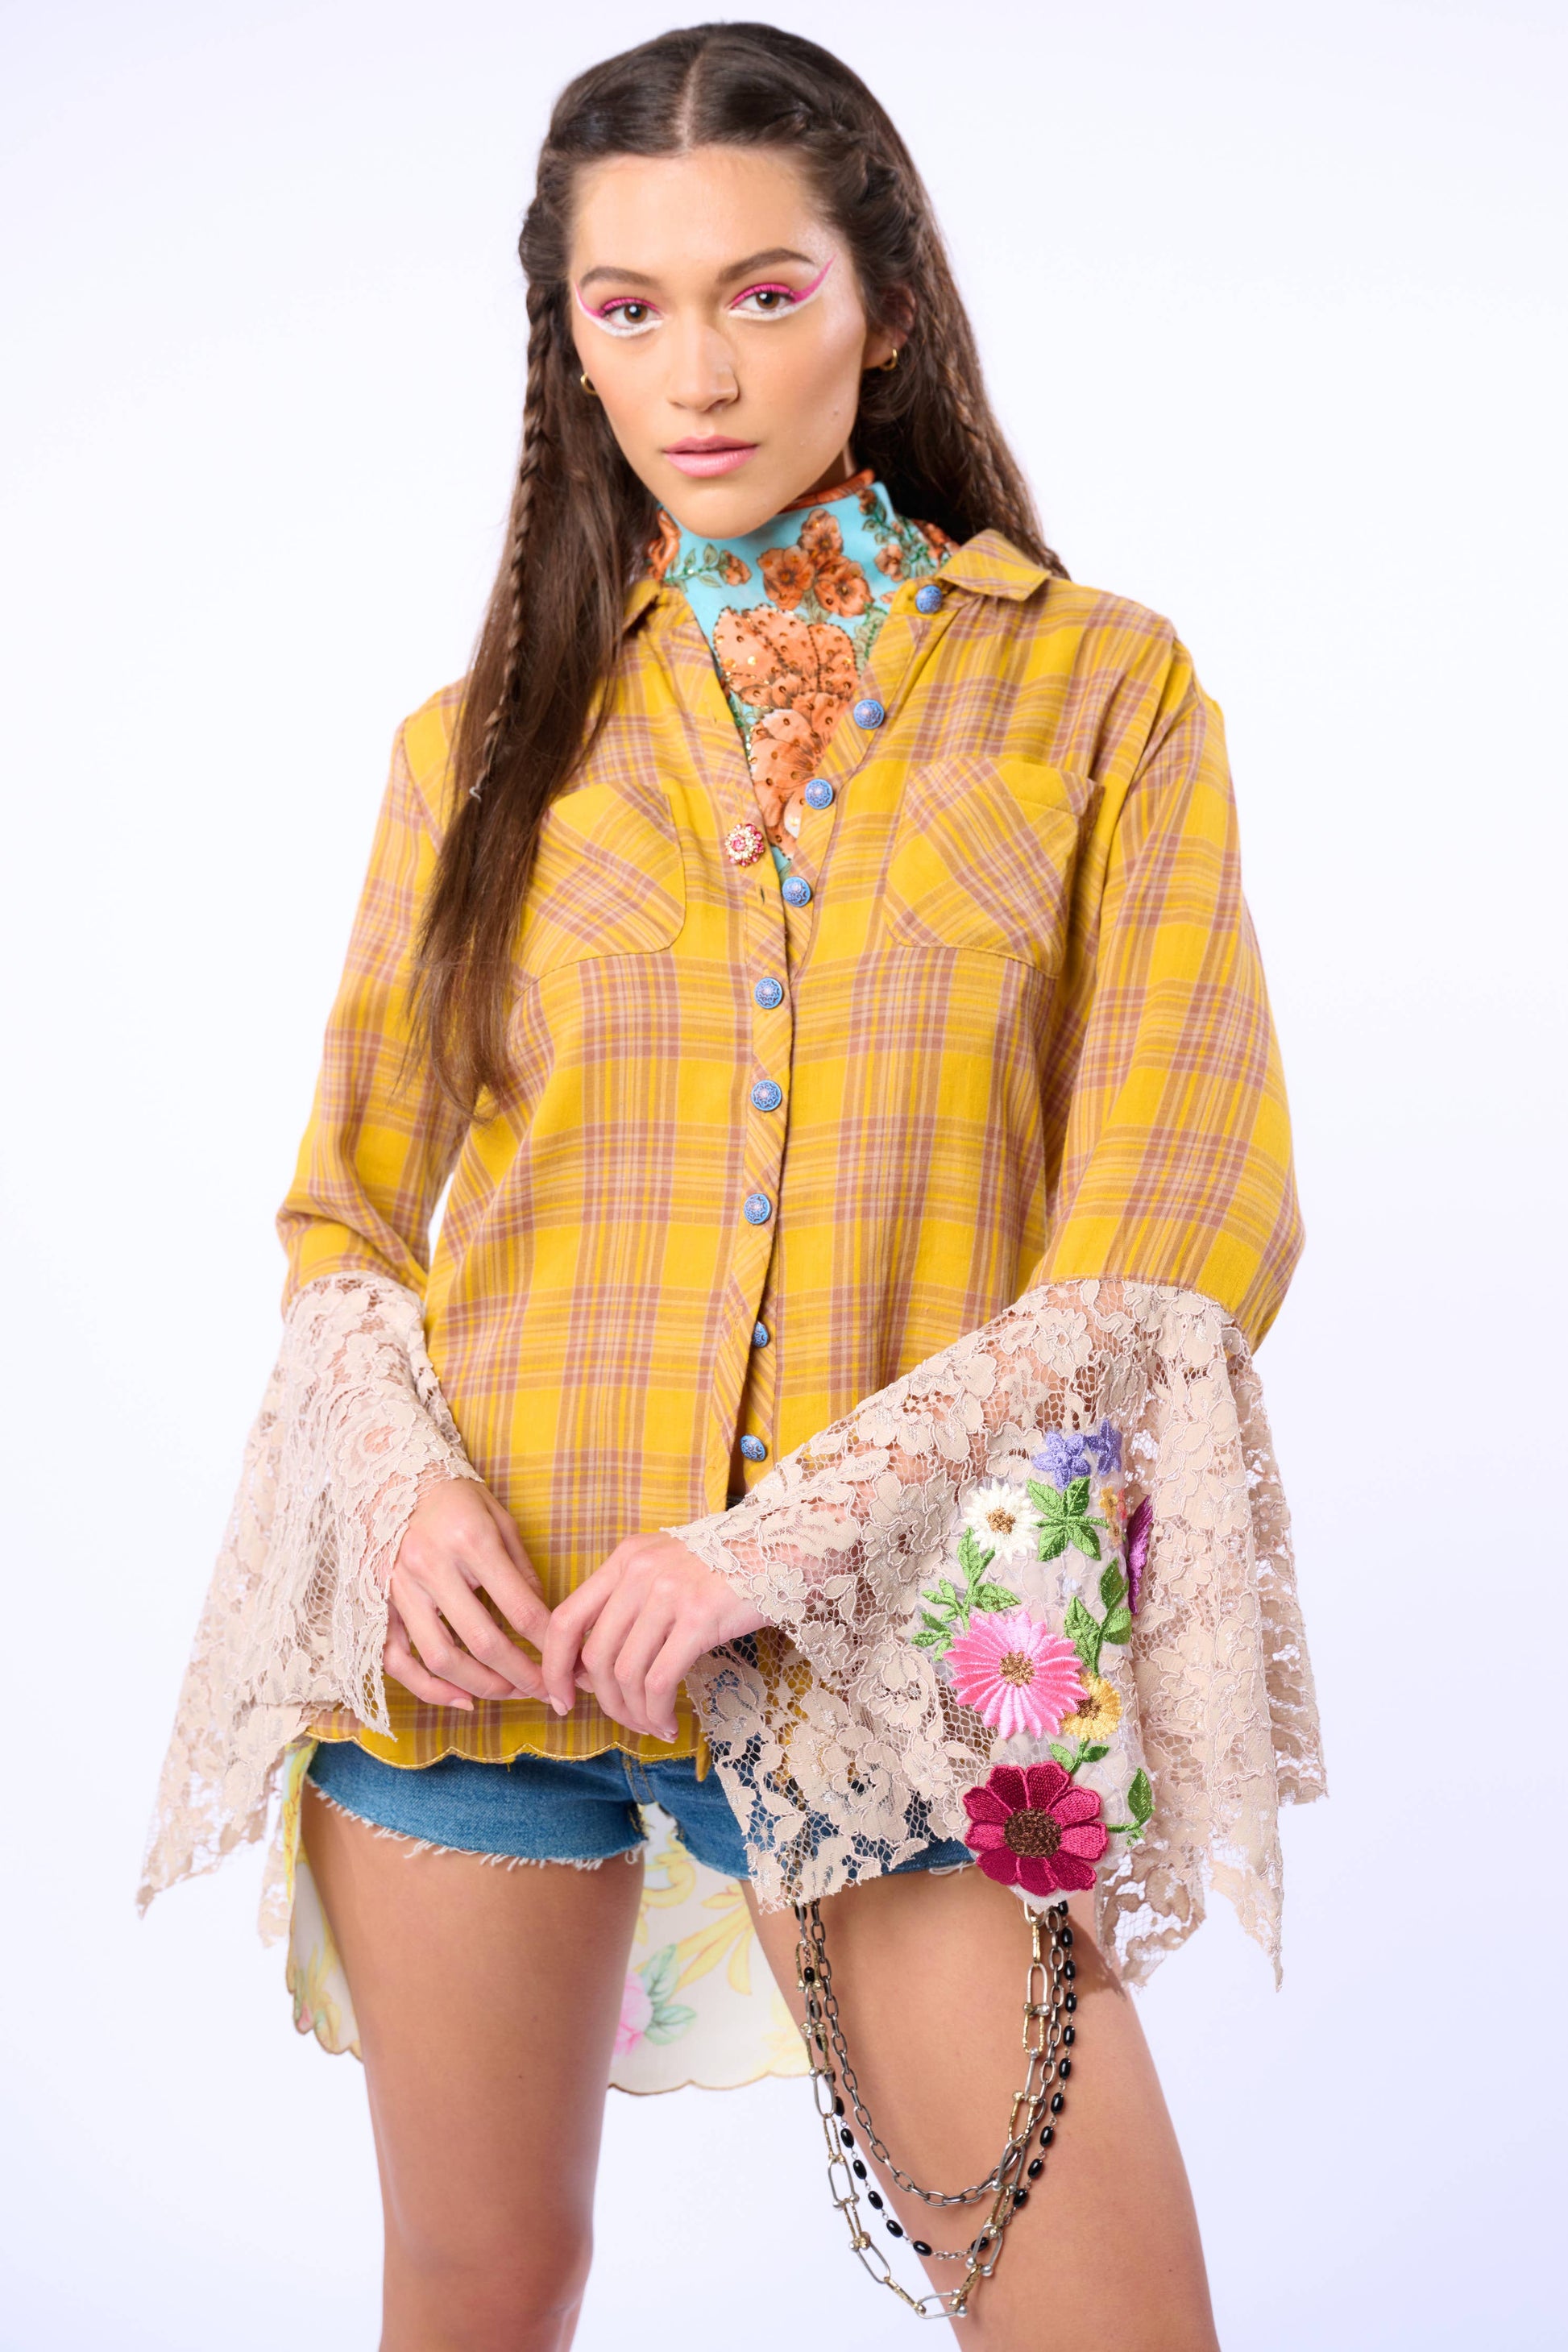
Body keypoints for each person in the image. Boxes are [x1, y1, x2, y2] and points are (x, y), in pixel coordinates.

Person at [142, 23, 1324, 2351]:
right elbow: (347, 1217)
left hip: (878, 1653)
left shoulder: (1100, 696)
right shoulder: (480, 740)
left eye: (763, 294)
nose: (695, 371)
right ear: (569, 342)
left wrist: (760, 1549)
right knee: (479, 2284)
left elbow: (1173, 1232)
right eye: (630, 307)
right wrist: (399, 1495)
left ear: (882, 310)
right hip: (469, 1661)